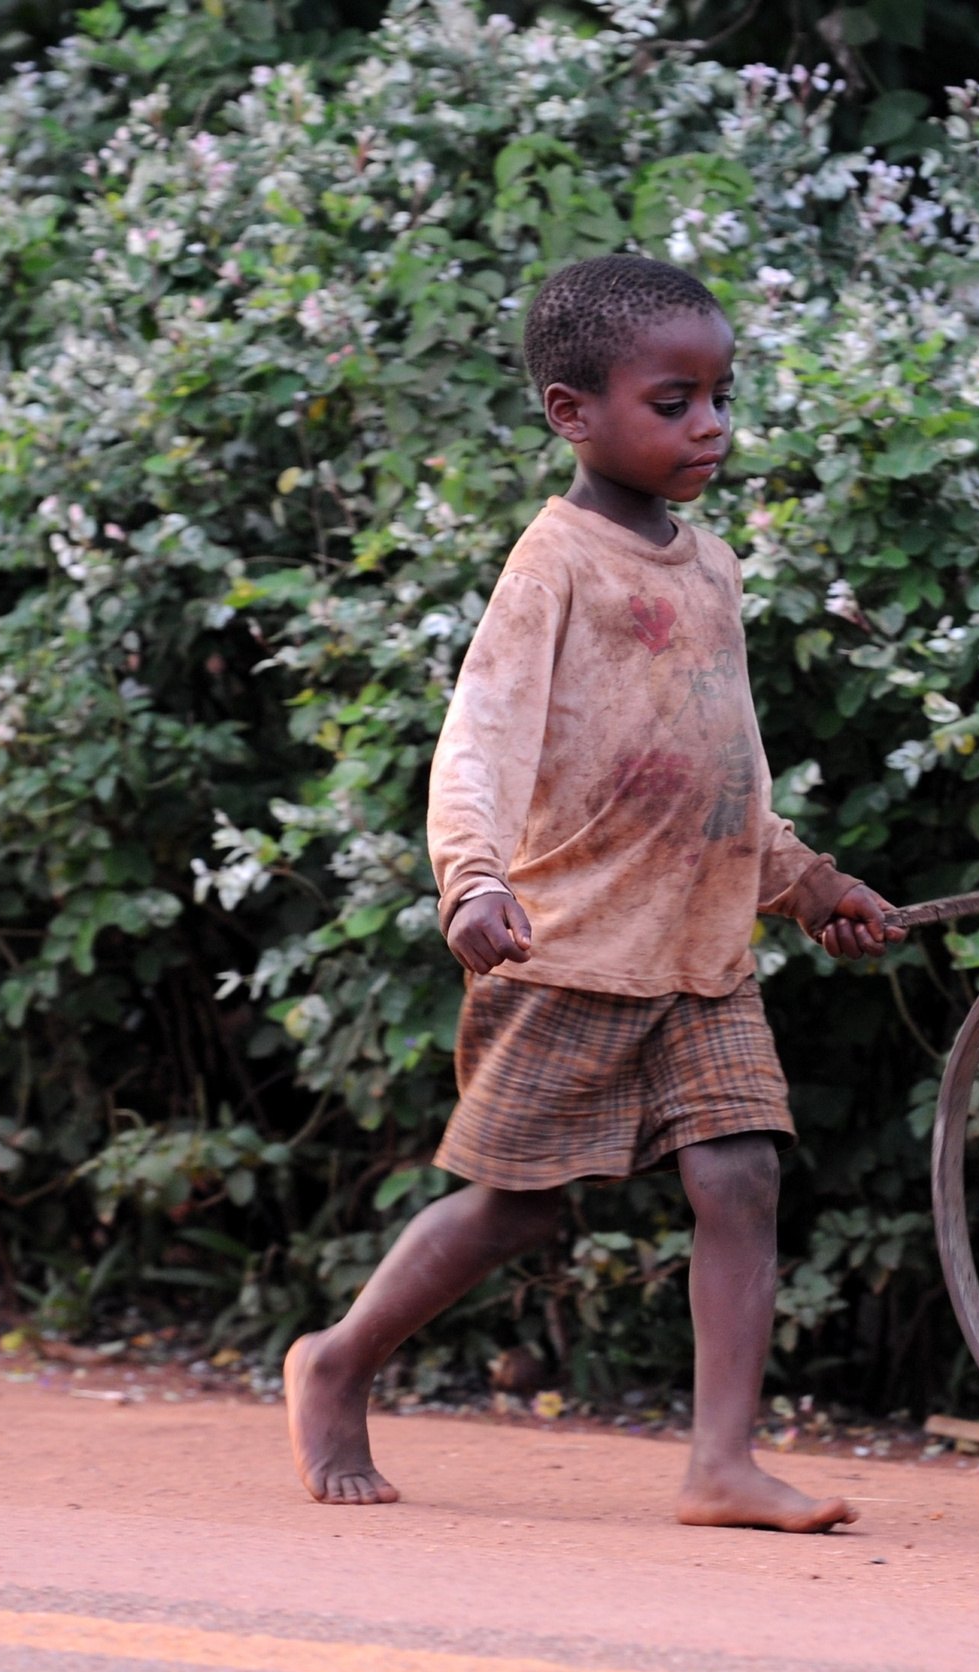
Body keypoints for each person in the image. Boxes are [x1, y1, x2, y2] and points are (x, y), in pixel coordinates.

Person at [282, 254, 903, 1534]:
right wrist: (472, 882)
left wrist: (808, 885)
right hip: (566, 946)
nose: (709, 425)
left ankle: (721, 1464)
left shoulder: (711, 566)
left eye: (719, 397)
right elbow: (481, 737)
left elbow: (729, 773)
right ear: (572, 413)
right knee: (517, 1206)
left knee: (740, 1173)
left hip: (700, 953)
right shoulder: (553, 563)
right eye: (673, 403)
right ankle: (337, 1360)